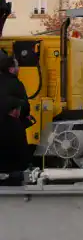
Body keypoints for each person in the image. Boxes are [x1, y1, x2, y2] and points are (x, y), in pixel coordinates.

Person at [0, 49, 32, 184]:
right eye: (17, 65)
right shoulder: (15, 83)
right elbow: (25, 106)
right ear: (11, 68)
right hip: (11, 129)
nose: (19, 68)